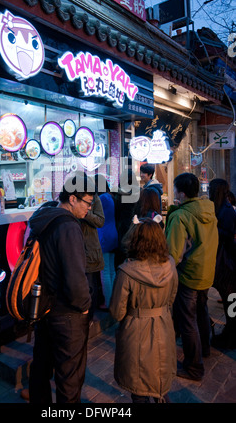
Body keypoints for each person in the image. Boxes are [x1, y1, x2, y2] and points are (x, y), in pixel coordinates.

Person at [27, 172, 94, 403]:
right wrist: (84, 307)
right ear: (73, 198)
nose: (89, 209)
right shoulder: (68, 226)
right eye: (87, 203)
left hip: (43, 307)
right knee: (69, 379)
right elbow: (75, 277)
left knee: (40, 368)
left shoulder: (43, 216)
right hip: (67, 313)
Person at [109, 217, 178, 403]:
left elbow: (117, 311)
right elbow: (172, 297)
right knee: (160, 381)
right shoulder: (170, 265)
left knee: (139, 388)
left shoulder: (126, 272)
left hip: (135, 331)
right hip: (164, 325)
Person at [165, 172, 218, 381]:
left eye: (176, 189)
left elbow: (174, 253)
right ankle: (205, 349)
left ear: (182, 192)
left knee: (187, 320)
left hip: (188, 275)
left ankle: (194, 367)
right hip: (206, 272)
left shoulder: (181, 216)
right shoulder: (209, 210)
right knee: (201, 311)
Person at [209, 179, 236, 349]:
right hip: (223, 260)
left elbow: (228, 234)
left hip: (227, 262)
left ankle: (231, 337)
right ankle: (229, 334)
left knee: (231, 301)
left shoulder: (227, 211)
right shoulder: (221, 208)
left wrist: (212, 228)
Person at [95, 174, 118, 308]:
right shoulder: (110, 196)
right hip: (112, 233)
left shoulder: (102, 198)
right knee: (111, 270)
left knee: (104, 272)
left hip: (103, 235)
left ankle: (109, 303)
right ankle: (114, 300)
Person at [80, 191, 105, 319]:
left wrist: (85, 212)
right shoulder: (71, 198)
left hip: (89, 249)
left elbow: (100, 221)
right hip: (76, 247)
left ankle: (88, 318)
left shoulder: (95, 198)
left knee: (90, 285)